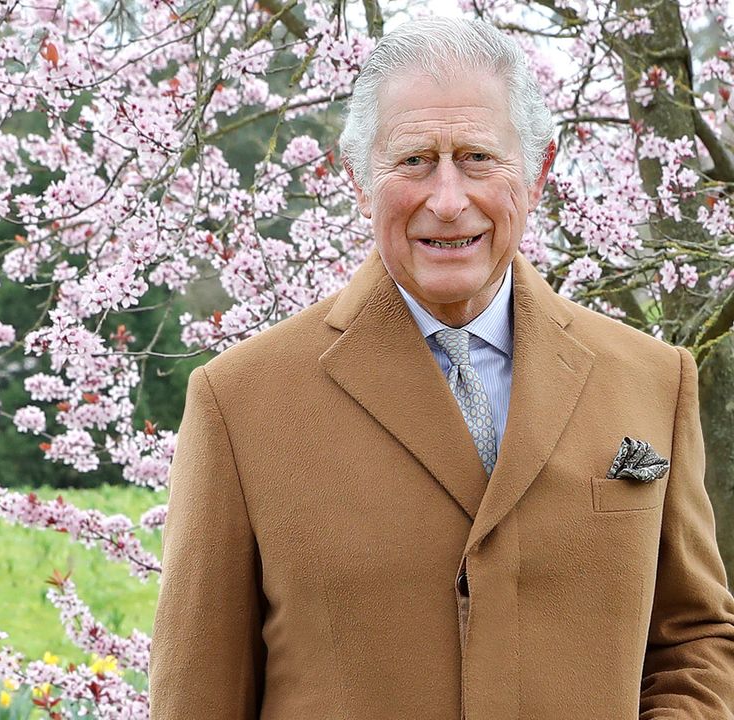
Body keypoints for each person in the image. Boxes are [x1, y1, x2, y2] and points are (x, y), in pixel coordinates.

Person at [149, 16, 734, 719]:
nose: (449, 200)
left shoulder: (650, 380)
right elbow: (199, 696)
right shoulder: (238, 402)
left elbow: (693, 640)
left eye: (478, 158)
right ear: (361, 182)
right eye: (415, 160)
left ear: (538, 173)